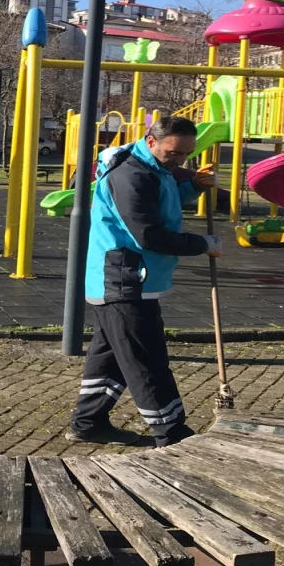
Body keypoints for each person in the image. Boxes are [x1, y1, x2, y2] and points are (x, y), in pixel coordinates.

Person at [66, 115, 220, 447]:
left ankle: (88, 422)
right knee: (146, 360)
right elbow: (149, 233)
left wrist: (193, 185)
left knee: (110, 357)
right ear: (151, 141)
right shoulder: (131, 175)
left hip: (130, 278)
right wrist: (202, 245)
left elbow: (161, 205)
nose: (180, 162)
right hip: (125, 281)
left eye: (186, 155)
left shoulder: (154, 168)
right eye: (174, 153)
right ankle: (173, 433)